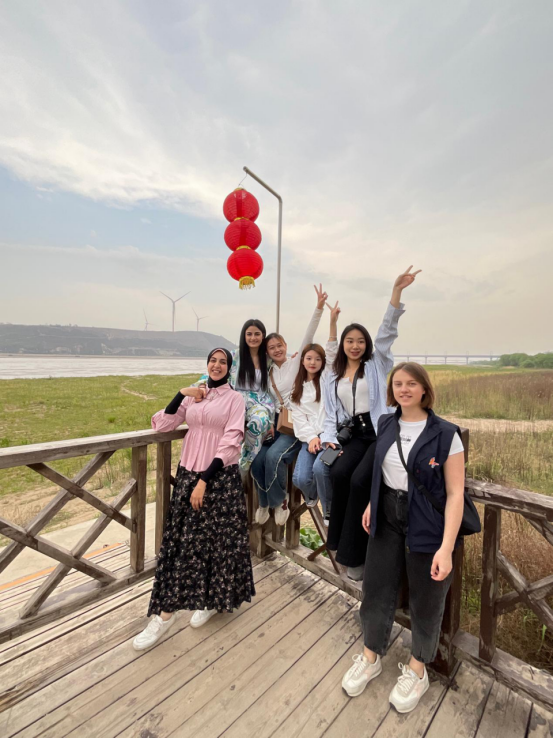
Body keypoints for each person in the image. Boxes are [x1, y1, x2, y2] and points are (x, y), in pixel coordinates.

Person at [341, 363, 465, 714]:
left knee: (427, 597)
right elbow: (383, 471)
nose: (404, 389)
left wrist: (446, 548)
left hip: (427, 520)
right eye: (398, 383)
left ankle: (418, 668)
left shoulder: (445, 434)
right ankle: (370, 656)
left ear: (425, 389)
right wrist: (373, 502)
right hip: (386, 515)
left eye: (412, 383)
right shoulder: (386, 423)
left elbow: (455, 494)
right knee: (376, 587)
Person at [132, 348, 255, 651]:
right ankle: (166, 614)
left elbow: (232, 441)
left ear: (229, 368)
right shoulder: (195, 395)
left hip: (217, 478)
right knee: (182, 545)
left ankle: (208, 601)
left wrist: (204, 480)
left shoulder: (235, 399)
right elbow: (162, 425)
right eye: (212, 361)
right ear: (207, 364)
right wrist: (181, 394)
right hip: (188, 474)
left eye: (222, 362)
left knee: (217, 544)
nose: (217, 365)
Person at [321, 267, 421, 581]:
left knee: (358, 482)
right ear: (343, 344)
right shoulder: (333, 374)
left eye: (360, 341)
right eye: (350, 341)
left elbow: (387, 333)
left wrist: (396, 293)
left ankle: (357, 557)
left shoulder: (376, 364)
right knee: (337, 473)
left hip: (379, 433)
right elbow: (329, 412)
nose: (355, 346)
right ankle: (338, 543)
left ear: (366, 344)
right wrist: (329, 437)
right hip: (353, 434)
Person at [252, 285, 337, 526]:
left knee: (276, 458)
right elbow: (264, 399)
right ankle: (264, 501)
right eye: (271, 348)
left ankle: (281, 501)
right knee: (257, 459)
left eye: (279, 345)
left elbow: (310, 336)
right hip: (277, 423)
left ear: (286, 345)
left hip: (296, 425)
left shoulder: (297, 362)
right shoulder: (268, 373)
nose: (277, 350)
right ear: (267, 352)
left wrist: (319, 308)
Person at [291, 301, 341, 520]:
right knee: (300, 479)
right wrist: (311, 438)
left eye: (317, 359)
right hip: (309, 440)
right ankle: (313, 495)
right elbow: (299, 419)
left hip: (331, 437)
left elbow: (332, 351)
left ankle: (329, 510)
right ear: (302, 361)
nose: (313, 362)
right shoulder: (297, 390)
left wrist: (332, 322)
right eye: (309, 358)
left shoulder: (328, 379)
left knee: (321, 469)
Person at [229, 319, 276, 472]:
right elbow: (216, 372)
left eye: (257, 334)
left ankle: (245, 462)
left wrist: (270, 421)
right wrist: (201, 386)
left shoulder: (268, 359)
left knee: (259, 421)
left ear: (263, 335)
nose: (253, 338)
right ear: (244, 336)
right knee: (231, 430)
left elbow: (284, 369)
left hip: (259, 402)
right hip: (235, 400)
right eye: (249, 334)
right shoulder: (235, 356)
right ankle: (229, 462)